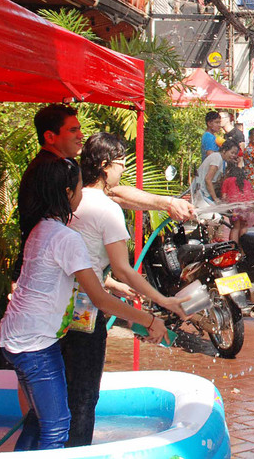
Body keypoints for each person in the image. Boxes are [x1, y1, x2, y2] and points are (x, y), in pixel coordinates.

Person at [0, 158, 166, 451]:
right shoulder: (66, 237)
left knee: (39, 420)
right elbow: (99, 300)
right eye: (79, 189)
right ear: (66, 194)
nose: (82, 195)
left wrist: (112, 284)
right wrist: (150, 320)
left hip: (15, 337)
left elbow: (67, 278)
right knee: (57, 427)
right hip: (35, 344)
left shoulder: (41, 228)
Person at [62, 133, 188, 447]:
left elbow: (83, 259)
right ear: (105, 166)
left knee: (61, 394)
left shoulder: (72, 198)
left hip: (58, 309)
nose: (123, 169)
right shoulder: (108, 210)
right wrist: (160, 301)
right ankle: (76, 451)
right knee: (83, 397)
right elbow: (123, 268)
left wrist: (113, 284)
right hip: (84, 315)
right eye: (120, 163)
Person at [17, 105, 193, 270]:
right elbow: (120, 269)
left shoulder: (67, 166)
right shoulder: (50, 171)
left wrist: (167, 202)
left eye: (79, 128)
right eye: (73, 130)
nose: (80, 135)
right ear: (50, 137)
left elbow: (110, 192)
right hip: (43, 270)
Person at [194, 139, 240, 209]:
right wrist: (215, 199)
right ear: (224, 150)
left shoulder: (222, 160)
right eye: (232, 153)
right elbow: (208, 179)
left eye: (235, 154)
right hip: (201, 193)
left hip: (204, 192)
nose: (233, 155)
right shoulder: (217, 158)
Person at [221, 162, 254, 246]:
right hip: (246, 208)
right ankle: (242, 248)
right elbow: (252, 198)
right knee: (243, 227)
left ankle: (233, 248)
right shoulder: (247, 182)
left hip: (234, 209)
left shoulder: (227, 181)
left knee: (235, 228)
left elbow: (224, 196)